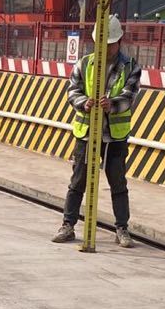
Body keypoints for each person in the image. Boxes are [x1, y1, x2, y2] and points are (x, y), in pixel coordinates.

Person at [51, 13, 142, 247]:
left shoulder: (130, 67)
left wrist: (111, 104)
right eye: (101, 44)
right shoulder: (84, 64)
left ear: (119, 41)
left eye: (109, 44)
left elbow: (130, 96)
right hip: (87, 132)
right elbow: (72, 91)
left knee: (118, 183)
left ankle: (122, 228)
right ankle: (68, 225)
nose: (105, 48)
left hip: (114, 136)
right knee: (78, 181)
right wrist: (84, 102)